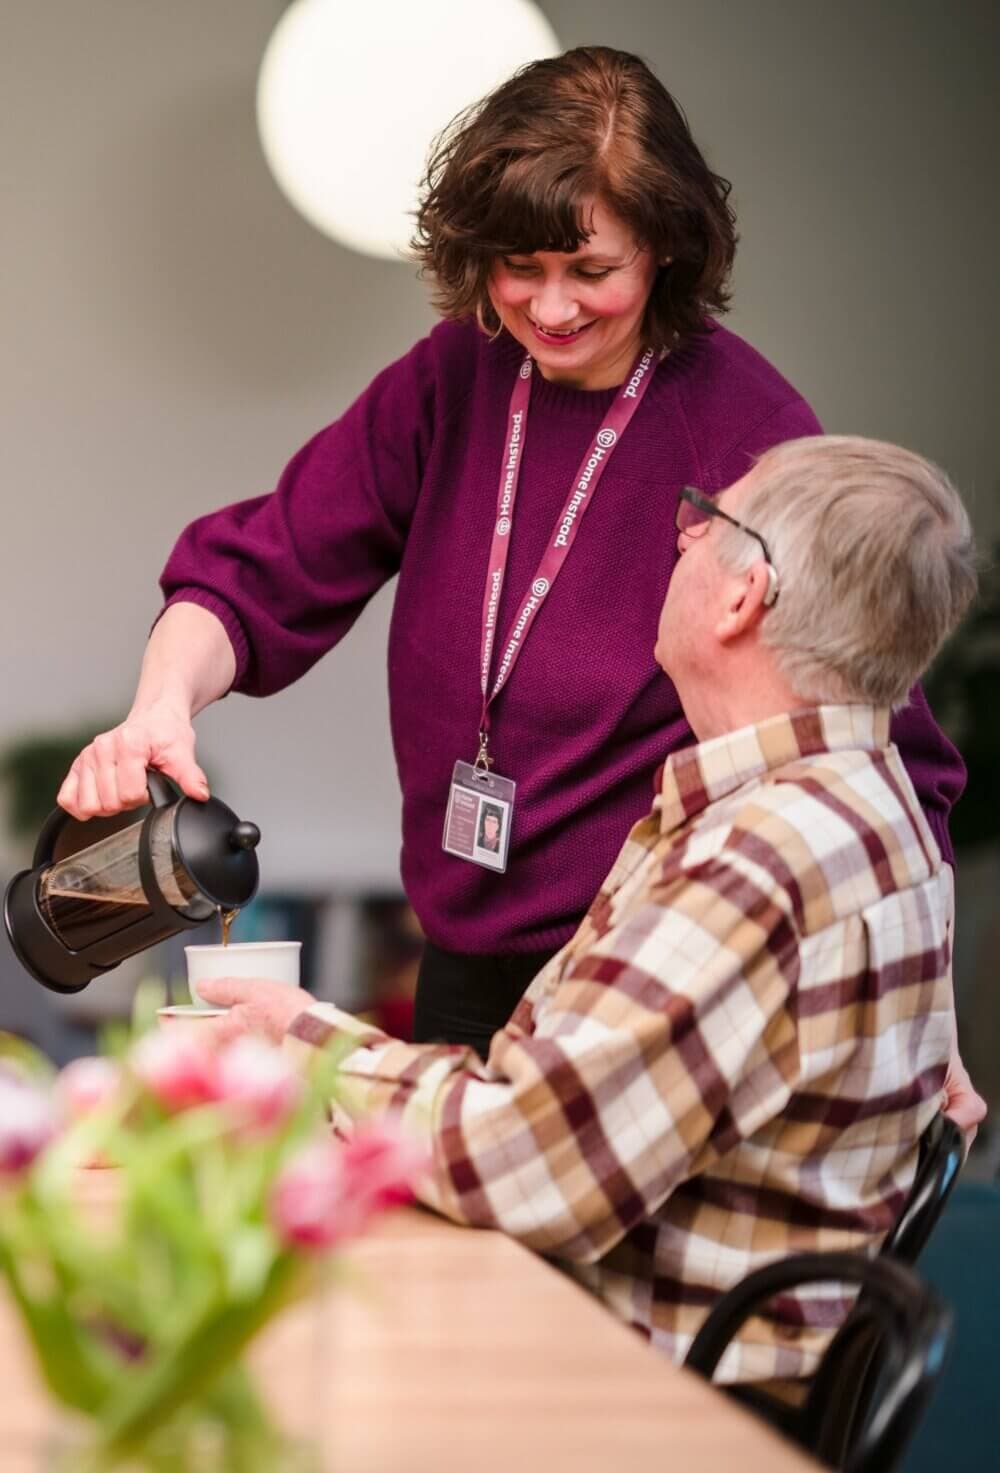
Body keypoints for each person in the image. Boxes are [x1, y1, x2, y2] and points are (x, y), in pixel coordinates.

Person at [57, 47, 970, 1072]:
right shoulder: (459, 374)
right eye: (518, 268)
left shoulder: (746, 432)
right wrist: (161, 706)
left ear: (665, 250)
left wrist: (925, 1036)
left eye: (592, 271)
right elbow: (257, 569)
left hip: (647, 973)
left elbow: (886, 748)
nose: (549, 309)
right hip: (461, 950)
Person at [198, 434, 977, 1383]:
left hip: (635, 1395)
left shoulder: (763, 856)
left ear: (743, 596)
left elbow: (527, 1162)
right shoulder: (874, 799)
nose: (682, 539)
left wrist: (304, 1043)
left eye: (707, 520)